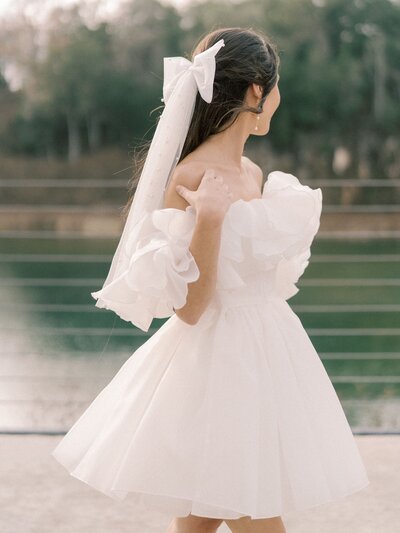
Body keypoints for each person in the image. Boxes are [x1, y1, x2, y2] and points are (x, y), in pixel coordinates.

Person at [51, 27, 370, 533]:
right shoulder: (188, 179)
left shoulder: (253, 173)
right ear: (256, 93)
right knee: (248, 509)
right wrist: (210, 220)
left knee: (204, 514)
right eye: (277, 87)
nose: (279, 99)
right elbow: (191, 308)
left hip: (267, 354)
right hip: (219, 364)